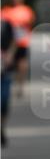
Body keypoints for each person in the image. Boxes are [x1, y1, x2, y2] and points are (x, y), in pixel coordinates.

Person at [1, 0, 36, 98]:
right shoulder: (6, 10)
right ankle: (8, 86)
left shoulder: (27, 10)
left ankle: (20, 85)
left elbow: (31, 23)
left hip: (23, 42)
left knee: (22, 65)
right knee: (9, 66)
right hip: (10, 44)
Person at [1, 18, 16, 147]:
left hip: (4, 69)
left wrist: (10, 55)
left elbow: (13, 42)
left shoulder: (6, 24)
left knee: (4, 101)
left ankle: (2, 128)